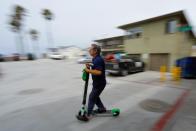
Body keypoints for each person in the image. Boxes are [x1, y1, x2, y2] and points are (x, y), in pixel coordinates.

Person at [85, 44, 106, 120]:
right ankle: (102, 108)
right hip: (97, 83)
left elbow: (99, 72)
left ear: (95, 51)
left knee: (92, 97)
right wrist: (89, 65)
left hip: (99, 83)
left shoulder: (98, 59)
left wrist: (88, 70)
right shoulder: (95, 59)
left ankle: (88, 114)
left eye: (90, 49)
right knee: (95, 97)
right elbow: (95, 67)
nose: (89, 51)